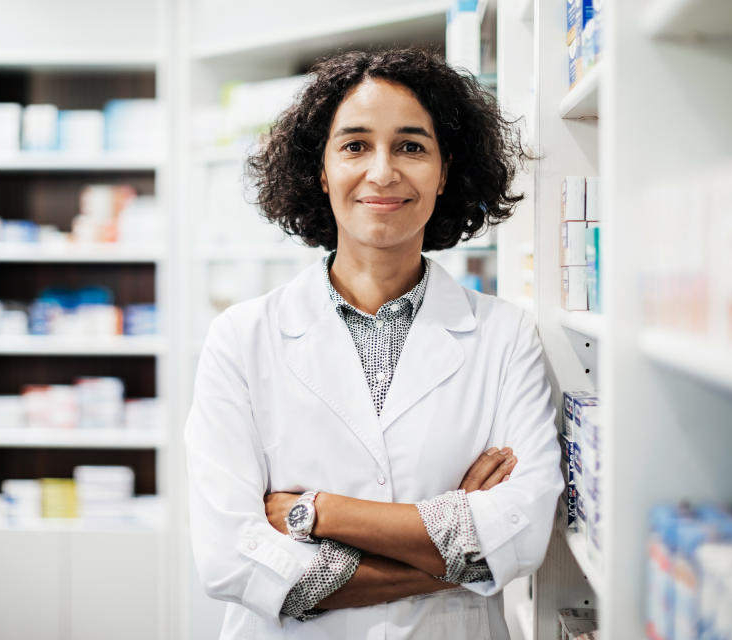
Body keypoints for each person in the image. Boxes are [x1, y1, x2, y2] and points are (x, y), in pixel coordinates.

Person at [185, 47, 563, 639]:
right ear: (321, 169)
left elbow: (522, 531)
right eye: (355, 145)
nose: (382, 171)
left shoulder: (505, 335)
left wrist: (320, 514)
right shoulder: (241, 337)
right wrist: (459, 547)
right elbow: (231, 559)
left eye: (411, 146)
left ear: (445, 171)